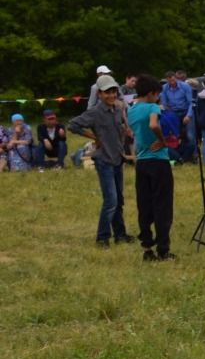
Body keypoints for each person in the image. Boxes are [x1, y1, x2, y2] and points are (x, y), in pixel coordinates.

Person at [66, 76, 134, 248]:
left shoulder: (118, 109)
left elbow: (120, 129)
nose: (111, 95)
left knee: (119, 200)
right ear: (100, 93)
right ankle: (102, 238)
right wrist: (93, 136)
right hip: (104, 160)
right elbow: (73, 125)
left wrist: (125, 134)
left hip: (117, 158)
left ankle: (120, 234)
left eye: (113, 91)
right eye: (107, 92)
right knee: (110, 200)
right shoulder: (95, 112)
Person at [126, 75, 174, 261]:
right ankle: (163, 248)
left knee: (144, 205)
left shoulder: (132, 109)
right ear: (152, 93)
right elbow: (154, 124)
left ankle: (147, 247)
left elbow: (132, 131)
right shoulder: (152, 107)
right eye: (157, 95)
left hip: (142, 161)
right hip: (158, 161)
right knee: (162, 205)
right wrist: (162, 141)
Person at [158, 71, 193, 164]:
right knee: (176, 136)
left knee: (190, 135)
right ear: (167, 80)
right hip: (173, 114)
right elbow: (164, 104)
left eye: (173, 79)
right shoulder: (164, 88)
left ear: (175, 78)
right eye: (169, 81)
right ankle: (179, 158)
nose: (172, 82)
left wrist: (188, 116)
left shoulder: (185, 86)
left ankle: (193, 156)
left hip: (186, 111)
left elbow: (191, 103)